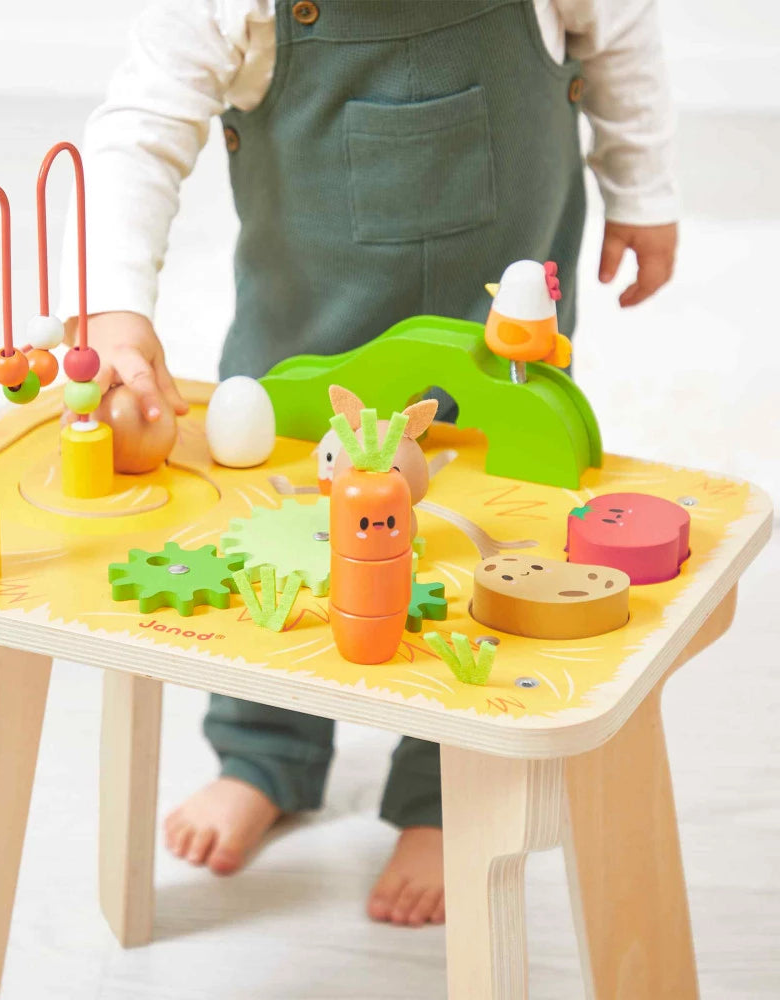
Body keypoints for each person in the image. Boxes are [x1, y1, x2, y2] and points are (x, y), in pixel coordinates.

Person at [59, 0, 678, 928]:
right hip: (307, 351)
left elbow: (622, 35)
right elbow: (143, 121)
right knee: (275, 547)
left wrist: (643, 190)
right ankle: (264, 751)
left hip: (495, 360)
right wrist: (114, 302)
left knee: (489, 555)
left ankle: (445, 790)